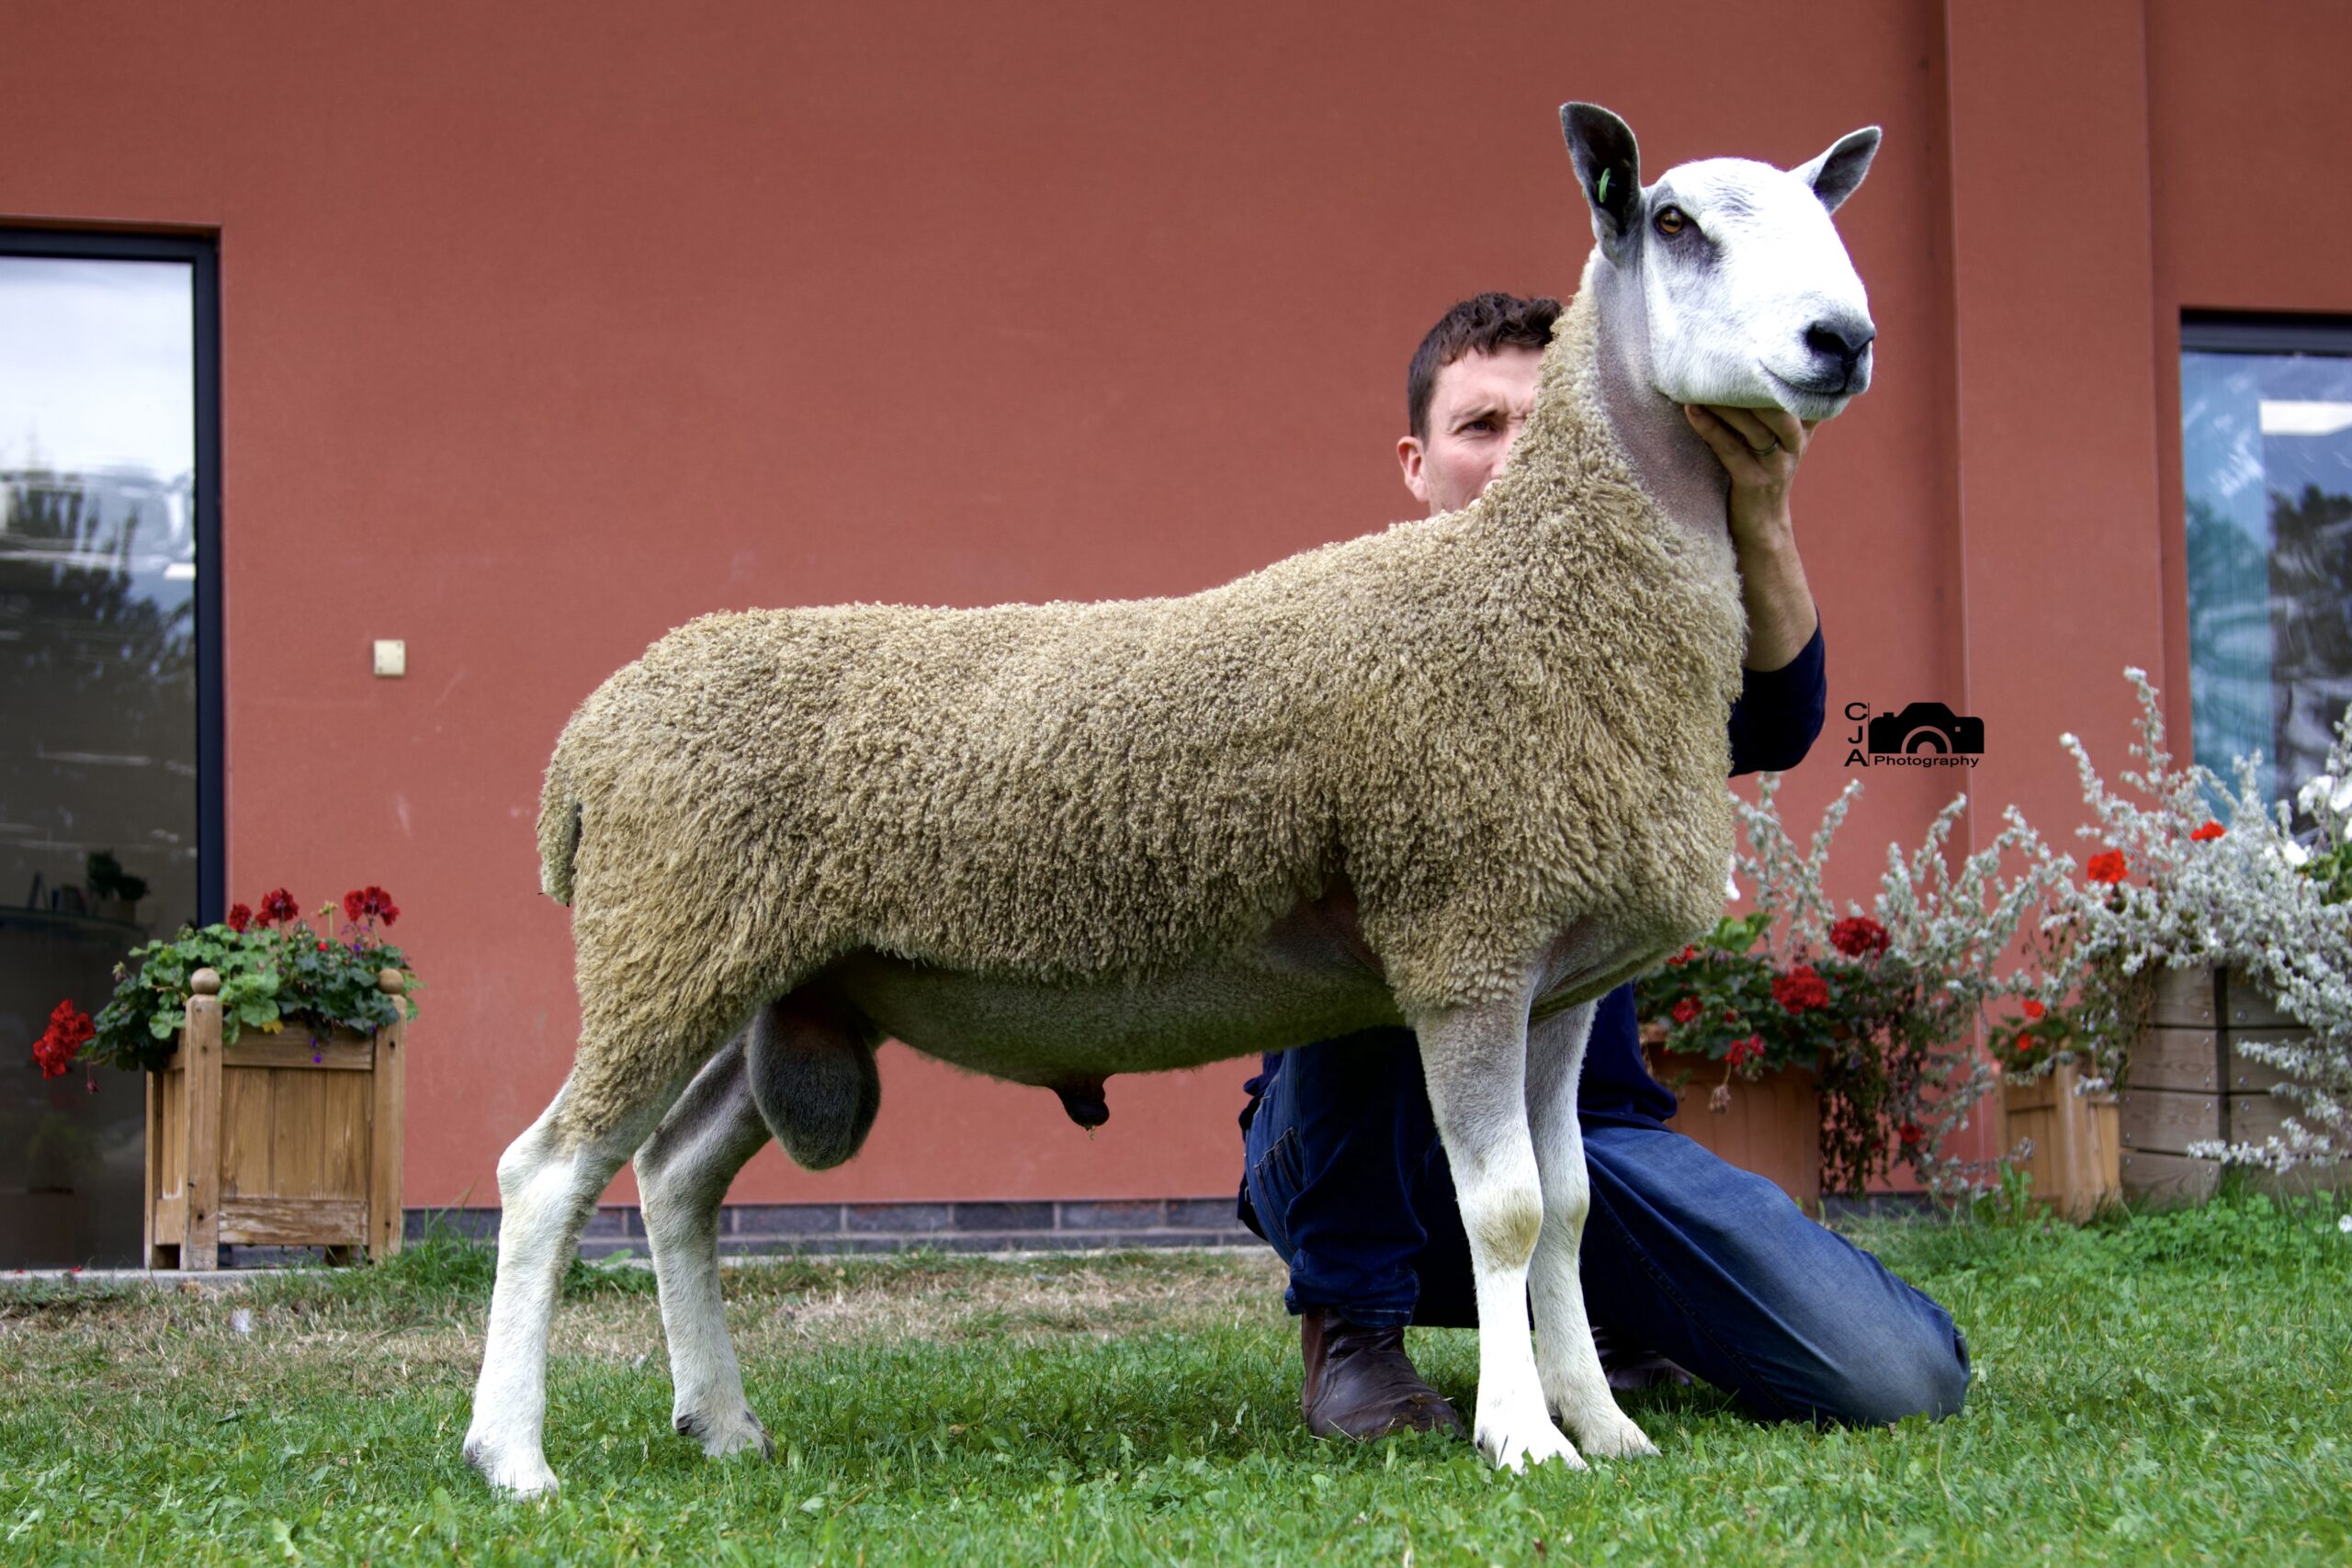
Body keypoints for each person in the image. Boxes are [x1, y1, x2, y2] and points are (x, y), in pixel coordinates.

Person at [1236, 292, 1968, 1444]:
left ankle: (1609, 1312)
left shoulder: (1628, 655)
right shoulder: (1337, 644)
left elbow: (1776, 722)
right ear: (1415, 464)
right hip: (1352, 1148)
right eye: (1481, 427)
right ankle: (1353, 1327)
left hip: (1585, 1136)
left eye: (1546, 422)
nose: (1517, 452)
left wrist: (1761, 511)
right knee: (1411, 948)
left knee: (1898, 1376)